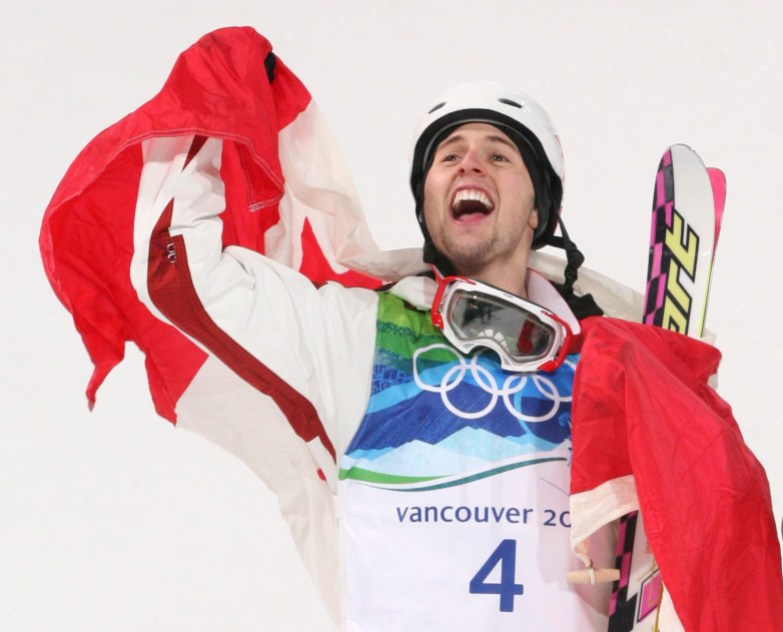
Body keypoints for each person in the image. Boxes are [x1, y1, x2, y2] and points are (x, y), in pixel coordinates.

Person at [42, 27, 782, 632]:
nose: (470, 164)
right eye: (447, 157)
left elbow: (703, 511)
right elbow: (188, 280)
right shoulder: (358, 334)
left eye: (500, 155)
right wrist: (213, 113)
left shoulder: (610, 344)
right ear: (427, 203)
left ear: (537, 212)